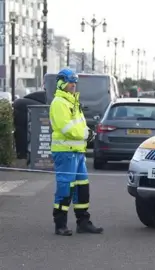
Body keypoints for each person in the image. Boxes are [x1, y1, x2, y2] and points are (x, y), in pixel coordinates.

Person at [50, 68, 103, 236]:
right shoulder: (59, 102)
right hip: (65, 152)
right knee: (65, 188)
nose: (73, 85)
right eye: (70, 82)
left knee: (82, 188)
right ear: (61, 83)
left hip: (77, 152)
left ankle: (83, 223)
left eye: (74, 82)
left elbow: (78, 125)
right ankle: (60, 224)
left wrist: (88, 132)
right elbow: (67, 128)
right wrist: (87, 134)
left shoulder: (72, 101)